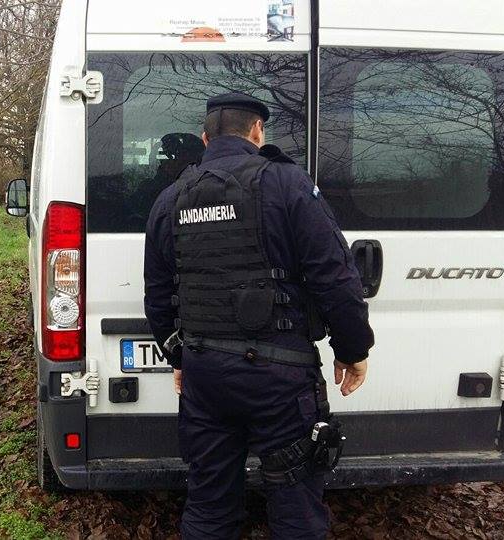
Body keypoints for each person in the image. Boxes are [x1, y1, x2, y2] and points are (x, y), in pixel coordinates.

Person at [143, 93, 374, 538]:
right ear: (257, 132)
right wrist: (352, 349)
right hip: (280, 377)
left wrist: (179, 358)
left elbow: (158, 296)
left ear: (205, 138)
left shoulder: (171, 199)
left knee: (209, 506)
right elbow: (335, 276)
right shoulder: (287, 184)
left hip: (206, 375)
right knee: (296, 509)